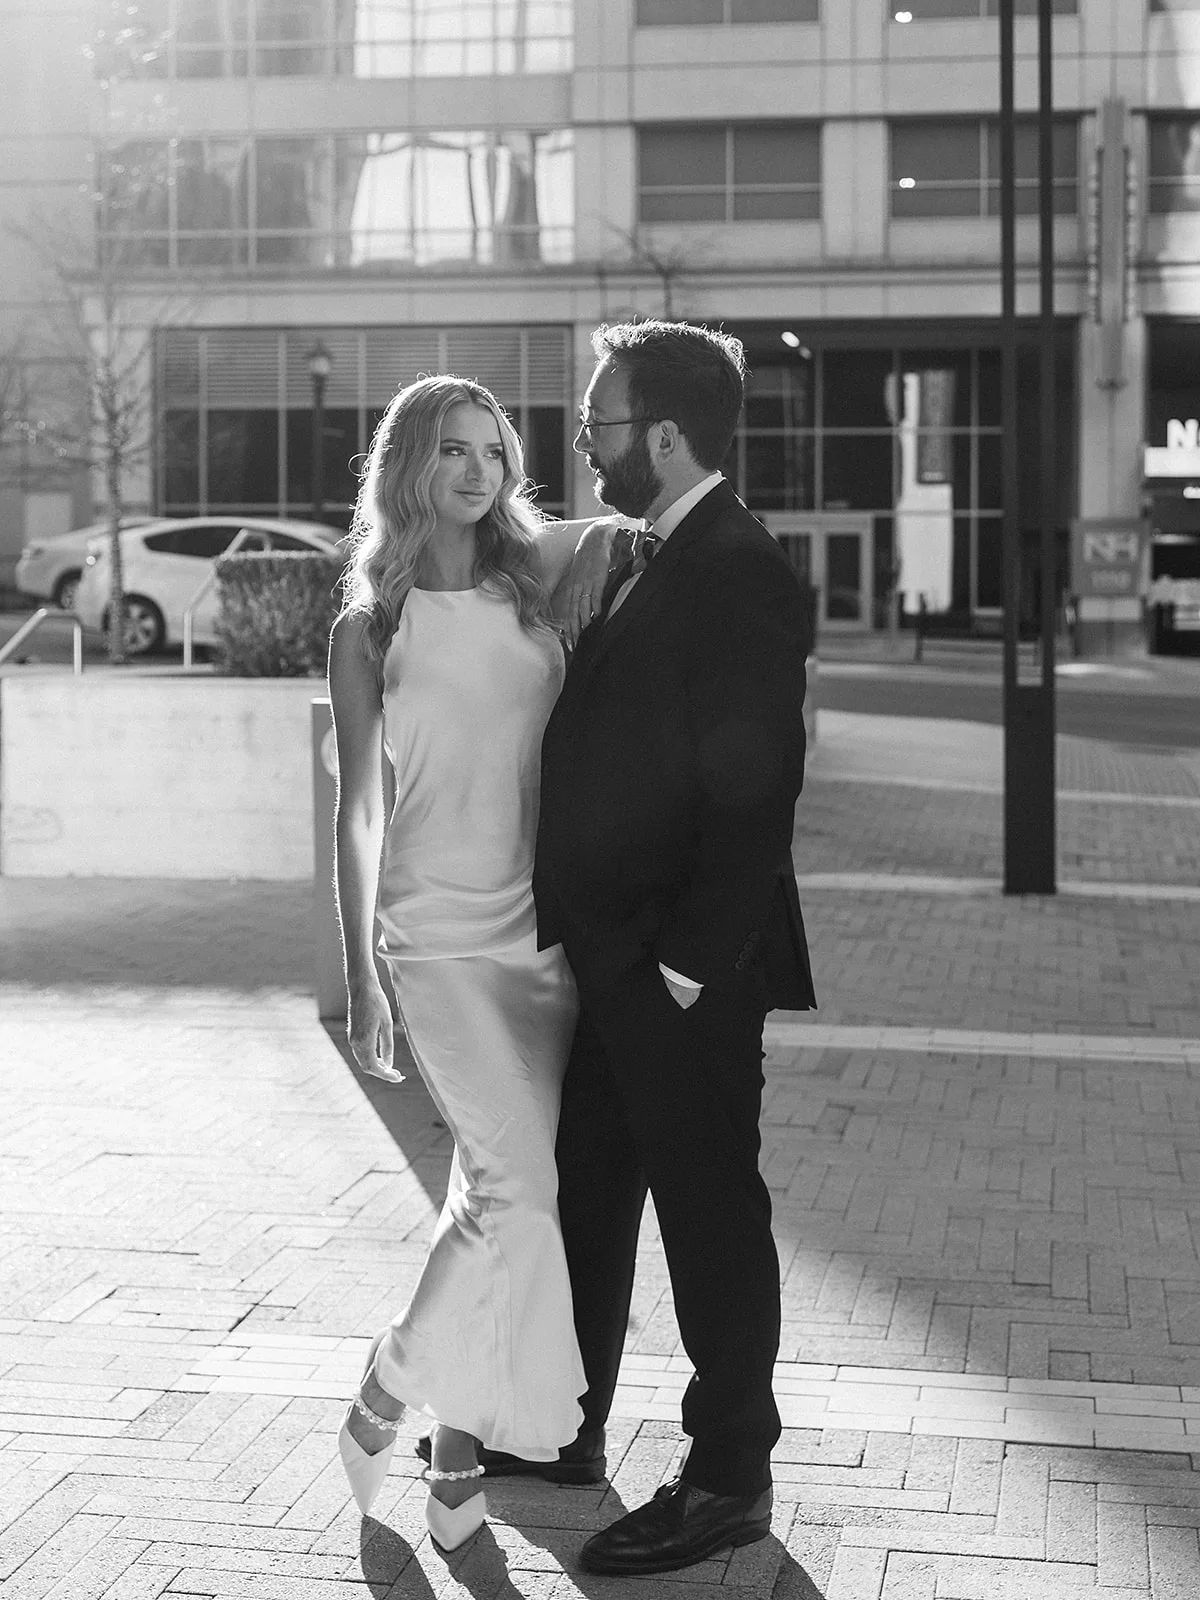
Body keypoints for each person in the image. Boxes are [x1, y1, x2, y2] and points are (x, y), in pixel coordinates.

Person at [532, 320, 818, 1574]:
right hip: (611, 963)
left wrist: (686, 968)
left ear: (660, 433)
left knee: (708, 1220)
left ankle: (727, 1477)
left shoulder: (739, 564)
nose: (584, 447)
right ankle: (566, 1427)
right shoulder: (653, 548)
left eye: (599, 425)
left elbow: (756, 790)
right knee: (587, 1195)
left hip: (678, 976)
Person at [328, 374, 615, 1551]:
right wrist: (361, 977)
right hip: (434, 935)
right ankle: (395, 1381)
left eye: (492, 450)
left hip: (537, 939)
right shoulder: (371, 626)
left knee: (487, 1195)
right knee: (519, 1192)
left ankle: (449, 1458)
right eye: (451, 450)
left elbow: (634, 540)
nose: (478, 470)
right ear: (410, 466)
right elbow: (357, 813)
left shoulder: (530, 582)